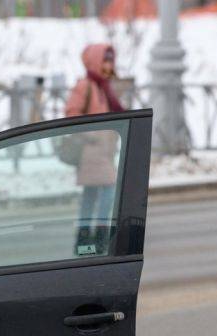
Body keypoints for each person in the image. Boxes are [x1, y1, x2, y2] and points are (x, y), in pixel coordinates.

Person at [65, 43, 124, 246]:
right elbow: (72, 113)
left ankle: (83, 240)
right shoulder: (85, 86)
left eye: (111, 60)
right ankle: (99, 236)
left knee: (90, 195)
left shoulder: (103, 86)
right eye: (105, 60)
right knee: (109, 189)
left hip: (103, 153)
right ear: (95, 62)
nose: (108, 65)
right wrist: (93, 135)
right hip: (91, 152)